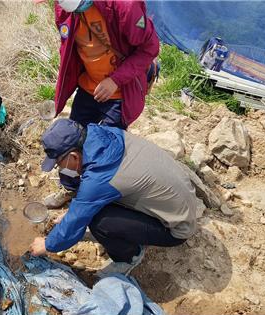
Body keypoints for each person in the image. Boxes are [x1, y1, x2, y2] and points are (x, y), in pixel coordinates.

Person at [29, 119, 198, 274]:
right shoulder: (104, 135)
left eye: (59, 164)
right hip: (179, 200)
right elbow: (91, 197)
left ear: (74, 156)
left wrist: (47, 244)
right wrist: (76, 210)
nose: (60, 169)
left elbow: (79, 216)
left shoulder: (99, 179)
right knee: (91, 208)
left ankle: (130, 256)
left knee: (98, 221)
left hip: (176, 228)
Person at [48, 0, 160, 130]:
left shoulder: (125, 6)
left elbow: (149, 48)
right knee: (75, 139)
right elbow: (69, 48)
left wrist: (115, 80)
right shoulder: (63, 8)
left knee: (106, 145)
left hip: (120, 93)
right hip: (88, 87)